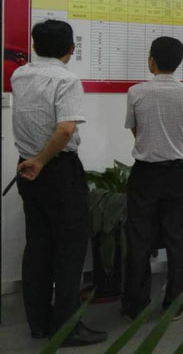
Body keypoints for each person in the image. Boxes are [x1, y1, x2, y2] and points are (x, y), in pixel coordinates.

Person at [11, 19, 107, 346]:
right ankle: (66, 327)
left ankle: (39, 322)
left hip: (26, 168)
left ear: (35, 46)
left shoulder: (19, 75)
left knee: (38, 246)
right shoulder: (66, 79)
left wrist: (34, 161)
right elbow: (65, 129)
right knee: (69, 249)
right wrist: (42, 160)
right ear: (71, 49)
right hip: (56, 169)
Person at [121, 36, 183, 321]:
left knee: (139, 239)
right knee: (177, 239)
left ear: (151, 61)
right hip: (179, 173)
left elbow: (136, 131)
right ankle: (176, 303)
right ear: (178, 62)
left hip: (145, 173)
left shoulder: (136, 92)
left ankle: (135, 305)